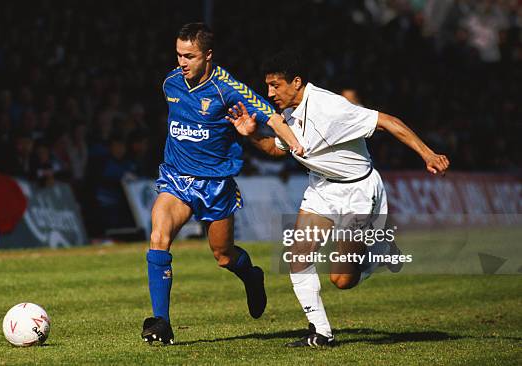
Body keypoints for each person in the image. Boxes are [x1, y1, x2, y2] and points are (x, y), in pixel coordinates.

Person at [226, 51, 449, 347]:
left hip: (358, 191)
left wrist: (428, 154)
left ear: (296, 82)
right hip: (322, 189)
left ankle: (375, 255)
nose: (270, 93)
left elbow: (388, 121)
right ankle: (321, 333)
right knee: (298, 254)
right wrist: (252, 135)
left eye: (276, 85)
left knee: (341, 280)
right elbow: (279, 150)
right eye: (267, 86)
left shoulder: (330, 107)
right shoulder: (286, 116)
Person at [142, 23, 304, 345]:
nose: (182, 62)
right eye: (178, 55)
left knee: (224, 256)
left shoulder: (227, 87)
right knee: (158, 237)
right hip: (176, 178)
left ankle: (251, 276)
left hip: (215, 184)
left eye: (190, 55)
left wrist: (296, 146)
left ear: (208, 56)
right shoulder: (170, 84)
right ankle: (161, 322)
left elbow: (272, 117)